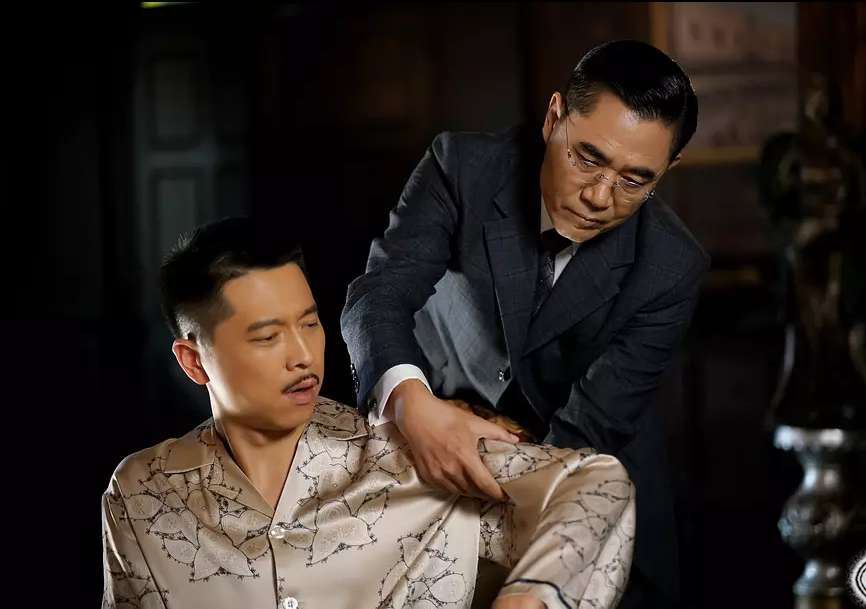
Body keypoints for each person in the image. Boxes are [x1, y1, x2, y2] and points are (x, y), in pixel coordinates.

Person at [101, 218, 634, 609]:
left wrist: (530, 598)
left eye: (310, 323)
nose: (303, 356)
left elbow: (595, 483)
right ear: (194, 361)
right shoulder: (142, 493)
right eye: (267, 337)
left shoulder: (406, 456)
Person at [341, 40, 708, 608]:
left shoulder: (672, 264)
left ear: (668, 169)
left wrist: (484, 444)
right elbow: (378, 296)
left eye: (635, 180)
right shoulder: (461, 168)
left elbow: (591, 425)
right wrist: (414, 406)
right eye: (587, 158)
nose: (599, 197)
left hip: (585, 479)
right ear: (554, 117)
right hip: (432, 443)